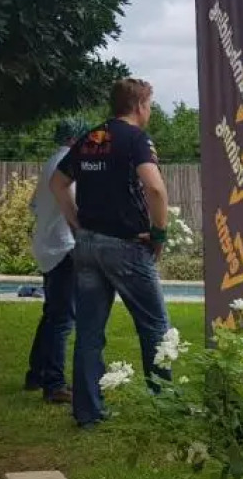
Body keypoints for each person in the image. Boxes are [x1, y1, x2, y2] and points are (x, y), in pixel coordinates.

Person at [50, 78, 172, 429]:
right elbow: (155, 188)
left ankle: (87, 412)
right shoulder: (136, 139)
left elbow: (57, 183)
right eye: (150, 104)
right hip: (126, 245)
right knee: (155, 327)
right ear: (139, 105)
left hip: (88, 244)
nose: (150, 111)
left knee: (89, 331)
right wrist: (159, 234)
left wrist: (75, 222)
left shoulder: (91, 138)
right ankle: (166, 406)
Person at [25, 118, 85, 404]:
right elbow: (75, 206)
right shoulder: (69, 165)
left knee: (52, 314)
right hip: (64, 248)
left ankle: (36, 374)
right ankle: (55, 384)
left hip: (47, 246)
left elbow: (33, 205)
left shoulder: (51, 162)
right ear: (74, 139)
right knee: (62, 319)